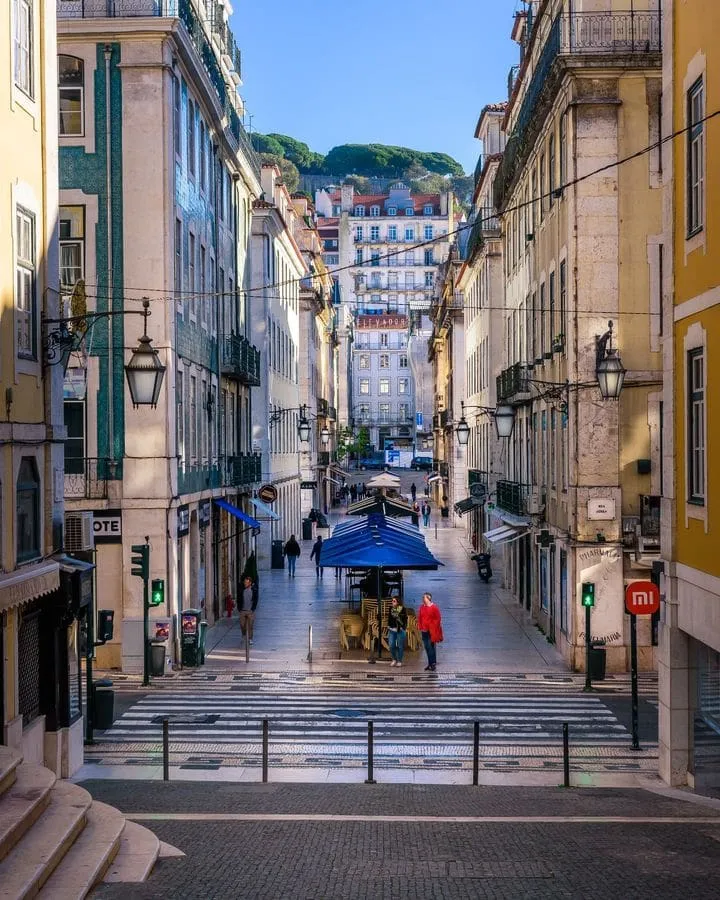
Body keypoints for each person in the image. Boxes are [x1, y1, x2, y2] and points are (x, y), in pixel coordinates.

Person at [417, 592, 443, 671]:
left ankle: (432, 664)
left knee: (430, 647)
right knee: (427, 647)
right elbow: (420, 617)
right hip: (424, 630)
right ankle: (430, 663)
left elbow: (438, 619)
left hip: (431, 631)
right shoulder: (422, 607)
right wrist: (420, 626)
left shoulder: (434, 607)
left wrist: (432, 626)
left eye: (424, 597)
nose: (423, 599)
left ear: (428, 598)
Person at [237, 575, 259, 644]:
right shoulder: (242, 590)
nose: (245, 583)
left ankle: (250, 638)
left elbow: (255, 600)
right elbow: (239, 599)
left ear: (250, 583)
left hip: (250, 611)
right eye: (244, 582)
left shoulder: (253, 590)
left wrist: (253, 609)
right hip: (242, 610)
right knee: (242, 625)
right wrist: (239, 609)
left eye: (246, 582)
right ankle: (243, 635)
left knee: (250, 626)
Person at [387, 596, 408, 667]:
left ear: (398, 602)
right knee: (391, 645)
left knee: (400, 646)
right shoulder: (390, 609)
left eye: (394, 601)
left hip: (400, 630)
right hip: (392, 630)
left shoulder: (402, 609)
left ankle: (399, 661)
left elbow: (405, 619)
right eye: (392, 601)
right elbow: (389, 618)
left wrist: (403, 627)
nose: (392, 602)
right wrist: (389, 626)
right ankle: (394, 659)